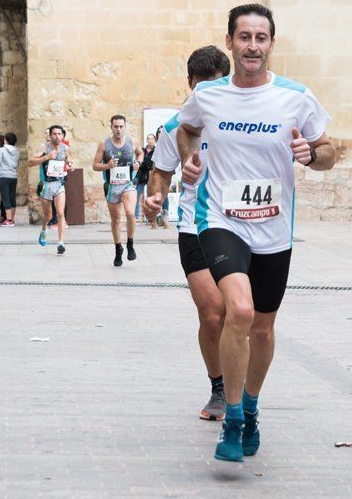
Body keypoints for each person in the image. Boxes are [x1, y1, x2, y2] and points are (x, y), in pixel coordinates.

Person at [177, 4, 336, 463]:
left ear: (271, 44)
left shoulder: (296, 97)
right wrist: (191, 159)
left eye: (260, 38)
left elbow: (329, 151)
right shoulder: (209, 95)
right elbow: (187, 130)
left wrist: (312, 154)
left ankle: (250, 404)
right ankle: (232, 417)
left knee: (263, 328)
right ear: (230, 42)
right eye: (243, 37)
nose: (252, 46)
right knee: (240, 312)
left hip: (273, 228)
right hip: (220, 219)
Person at [144, 45, 231, 422]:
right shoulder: (174, 127)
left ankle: (243, 385)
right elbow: (160, 173)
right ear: (191, 86)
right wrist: (155, 196)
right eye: (202, 88)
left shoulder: (243, 119)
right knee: (213, 314)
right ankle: (220, 387)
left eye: (217, 87)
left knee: (240, 315)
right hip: (194, 224)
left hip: (242, 224)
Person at [93, 115, 143, 266]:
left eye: (121, 126)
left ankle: (130, 243)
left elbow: (141, 153)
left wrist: (138, 163)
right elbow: (95, 165)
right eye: (116, 126)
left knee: (130, 213)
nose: (118, 129)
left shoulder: (132, 142)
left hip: (128, 184)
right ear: (111, 127)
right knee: (115, 220)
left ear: (125, 127)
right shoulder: (104, 144)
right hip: (112, 186)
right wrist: (107, 166)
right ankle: (118, 249)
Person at [29, 125, 74, 254]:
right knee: (48, 215)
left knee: (60, 213)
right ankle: (44, 230)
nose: (57, 136)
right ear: (50, 135)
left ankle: (61, 242)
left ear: (63, 136)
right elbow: (30, 162)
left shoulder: (65, 148)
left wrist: (71, 164)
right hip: (46, 185)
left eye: (59, 134)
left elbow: (69, 160)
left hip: (59, 184)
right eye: (54, 134)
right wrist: (46, 157)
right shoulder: (44, 147)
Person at [0, 132, 20, 227]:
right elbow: (17, 164)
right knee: (12, 197)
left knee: (5, 198)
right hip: (13, 176)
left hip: (3, 176)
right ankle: (12, 219)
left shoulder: (1, 150)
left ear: (6, 140)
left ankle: (8, 220)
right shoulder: (17, 151)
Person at [134, 133, 156, 221]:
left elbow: (153, 164)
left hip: (151, 175)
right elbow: (138, 161)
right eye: (148, 139)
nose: (150, 140)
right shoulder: (142, 151)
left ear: (154, 140)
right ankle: (136, 217)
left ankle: (151, 218)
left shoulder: (156, 151)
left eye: (152, 139)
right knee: (136, 194)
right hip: (141, 175)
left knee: (151, 196)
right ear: (147, 140)